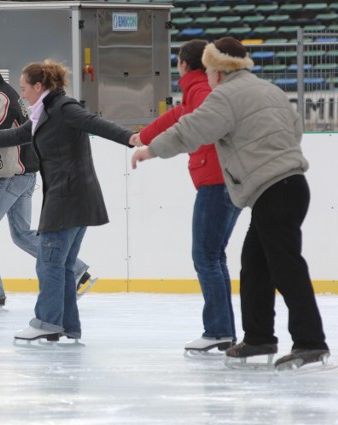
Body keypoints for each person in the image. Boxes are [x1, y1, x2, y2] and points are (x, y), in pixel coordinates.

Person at [131, 37, 330, 369]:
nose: (208, 77)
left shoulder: (225, 96)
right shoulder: (270, 90)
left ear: (217, 70)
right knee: (255, 264)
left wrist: (150, 149)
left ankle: (310, 342)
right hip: (290, 185)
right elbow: (295, 129)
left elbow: (191, 130)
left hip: (274, 189)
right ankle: (258, 338)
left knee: (285, 266)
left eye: (209, 71)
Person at [0, 60, 134, 341]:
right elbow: (17, 134)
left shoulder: (63, 108)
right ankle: (68, 325)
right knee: (62, 265)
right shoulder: (44, 112)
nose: (23, 95)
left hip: (68, 196)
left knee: (49, 262)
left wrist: (131, 137)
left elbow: (95, 123)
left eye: (25, 89)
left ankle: (46, 322)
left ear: (39, 86)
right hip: (70, 194)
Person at [0, 51, 94, 309]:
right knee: (22, 234)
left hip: (10, 175)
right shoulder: (9, 93)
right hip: (26, 174)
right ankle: (77, 271)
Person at [130, 40, 241, 354]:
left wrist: (151, 148)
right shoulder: (197, 89)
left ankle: (218, 330)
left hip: (216, 181)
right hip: (221, 179)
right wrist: (147, 134)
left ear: (182, 64)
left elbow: (196, 121)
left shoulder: (202, 89)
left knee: (206, 257)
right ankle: (223, 330)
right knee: (213, 257)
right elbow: (180, 115)